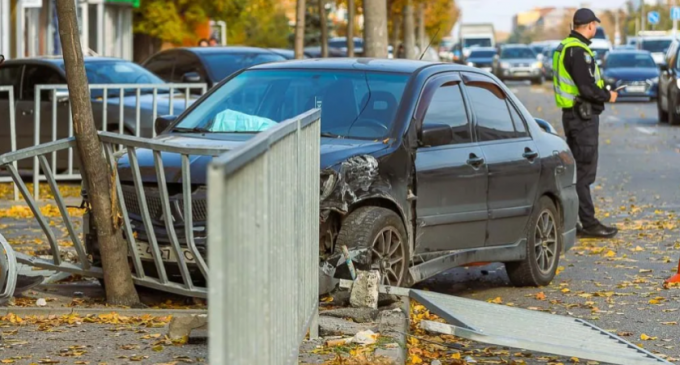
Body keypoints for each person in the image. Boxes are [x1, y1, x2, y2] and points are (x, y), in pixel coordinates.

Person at [553, 8, 618, 238]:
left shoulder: (565, 47)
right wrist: (607, 95)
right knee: (584, 173)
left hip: (574, 116)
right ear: (590, 25)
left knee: (578, 171)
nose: (596, 29)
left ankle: (572, 222)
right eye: (595, 25)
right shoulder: (578, 51)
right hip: (583, 118)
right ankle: (589, 224)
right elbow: (587, 88)